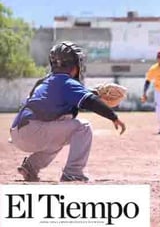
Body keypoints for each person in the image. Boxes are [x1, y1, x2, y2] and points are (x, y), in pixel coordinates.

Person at [10, 41, 126, 182]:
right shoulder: (68, 83)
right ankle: (73, 173)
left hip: (19, 132)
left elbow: (55, 100)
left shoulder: (44, 82)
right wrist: (113, 116)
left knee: (62, 127)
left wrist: (94, 92)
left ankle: (31, 167)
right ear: (75, 66)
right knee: (83, 127)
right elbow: (89, 102)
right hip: (33, 131)